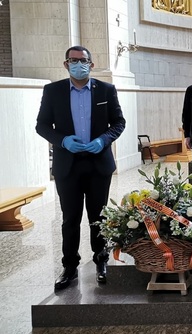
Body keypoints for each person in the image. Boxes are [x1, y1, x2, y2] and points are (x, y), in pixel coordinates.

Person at [35, 46, 126, 290]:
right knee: (70, 218)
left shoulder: (106, 90)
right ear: (66, 64)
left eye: (83, 60)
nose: (78, 64)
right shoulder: (53, 91)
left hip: (98, 163)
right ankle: (70, 266)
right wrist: (62, 140)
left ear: (91, 64)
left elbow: (119, 122)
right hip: (68, 165)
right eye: (73, 60)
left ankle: (101, 260)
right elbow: (42, 126)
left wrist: (103, 140)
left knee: (99, 217)